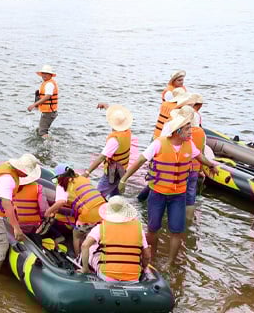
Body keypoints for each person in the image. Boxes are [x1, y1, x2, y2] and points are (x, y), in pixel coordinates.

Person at [120, 113, 222, 266]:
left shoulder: (189, 145)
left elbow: (200, 157)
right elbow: (140, 160)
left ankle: (169, 262)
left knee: (177, 230)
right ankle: (151, 257)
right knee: (153, 228)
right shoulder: (159, 144)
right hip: (158, 193)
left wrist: (211, 165)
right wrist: (124, 179)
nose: (191, 131)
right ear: (177, 131)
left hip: (178, 195)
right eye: (187, 129)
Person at [0, 154, 42, 272]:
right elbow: (6, 204)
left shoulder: (6, 167)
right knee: (1, 247)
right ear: (20, 169)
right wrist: (16, 228)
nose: (26, 175)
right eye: (26, 172)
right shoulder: (8, 178)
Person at [79, 196, 151, 281]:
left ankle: (82, 266)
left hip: (107, 276)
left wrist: (85, 269)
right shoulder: (139, 228)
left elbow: (84, 246)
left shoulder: (101, 227)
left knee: (91, 248)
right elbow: (146, 255)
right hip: (134, 277)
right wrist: (144, 268)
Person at [44, 165, 107, 255]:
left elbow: (61, 201)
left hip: (89, 215)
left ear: (59, 177)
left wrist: (48, 211)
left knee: (76, 235)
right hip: (104, 210)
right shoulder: (81, 178)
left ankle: (78, 257)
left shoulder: (62, 184)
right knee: (92, 233)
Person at [83, 104, 134, 198]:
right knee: (115, 196)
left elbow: (101, 158)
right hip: (122, 171)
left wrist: (87, 172)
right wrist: (106, 107)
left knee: (98, 196)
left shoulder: (114, 140)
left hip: (112, 173)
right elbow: (115, 115)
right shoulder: (127, 131)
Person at [27, 64, 58, 138]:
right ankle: (48, 141)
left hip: (49, 112)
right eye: (43, 73)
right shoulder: (47, 83)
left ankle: (52, 144)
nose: (44, 75)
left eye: (46, 73)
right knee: (40, 130)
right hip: (49, 111)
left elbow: (47, 96)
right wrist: (37, 106)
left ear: (50, 75)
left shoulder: (49, 84)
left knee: (42, 132)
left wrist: (34, 105)